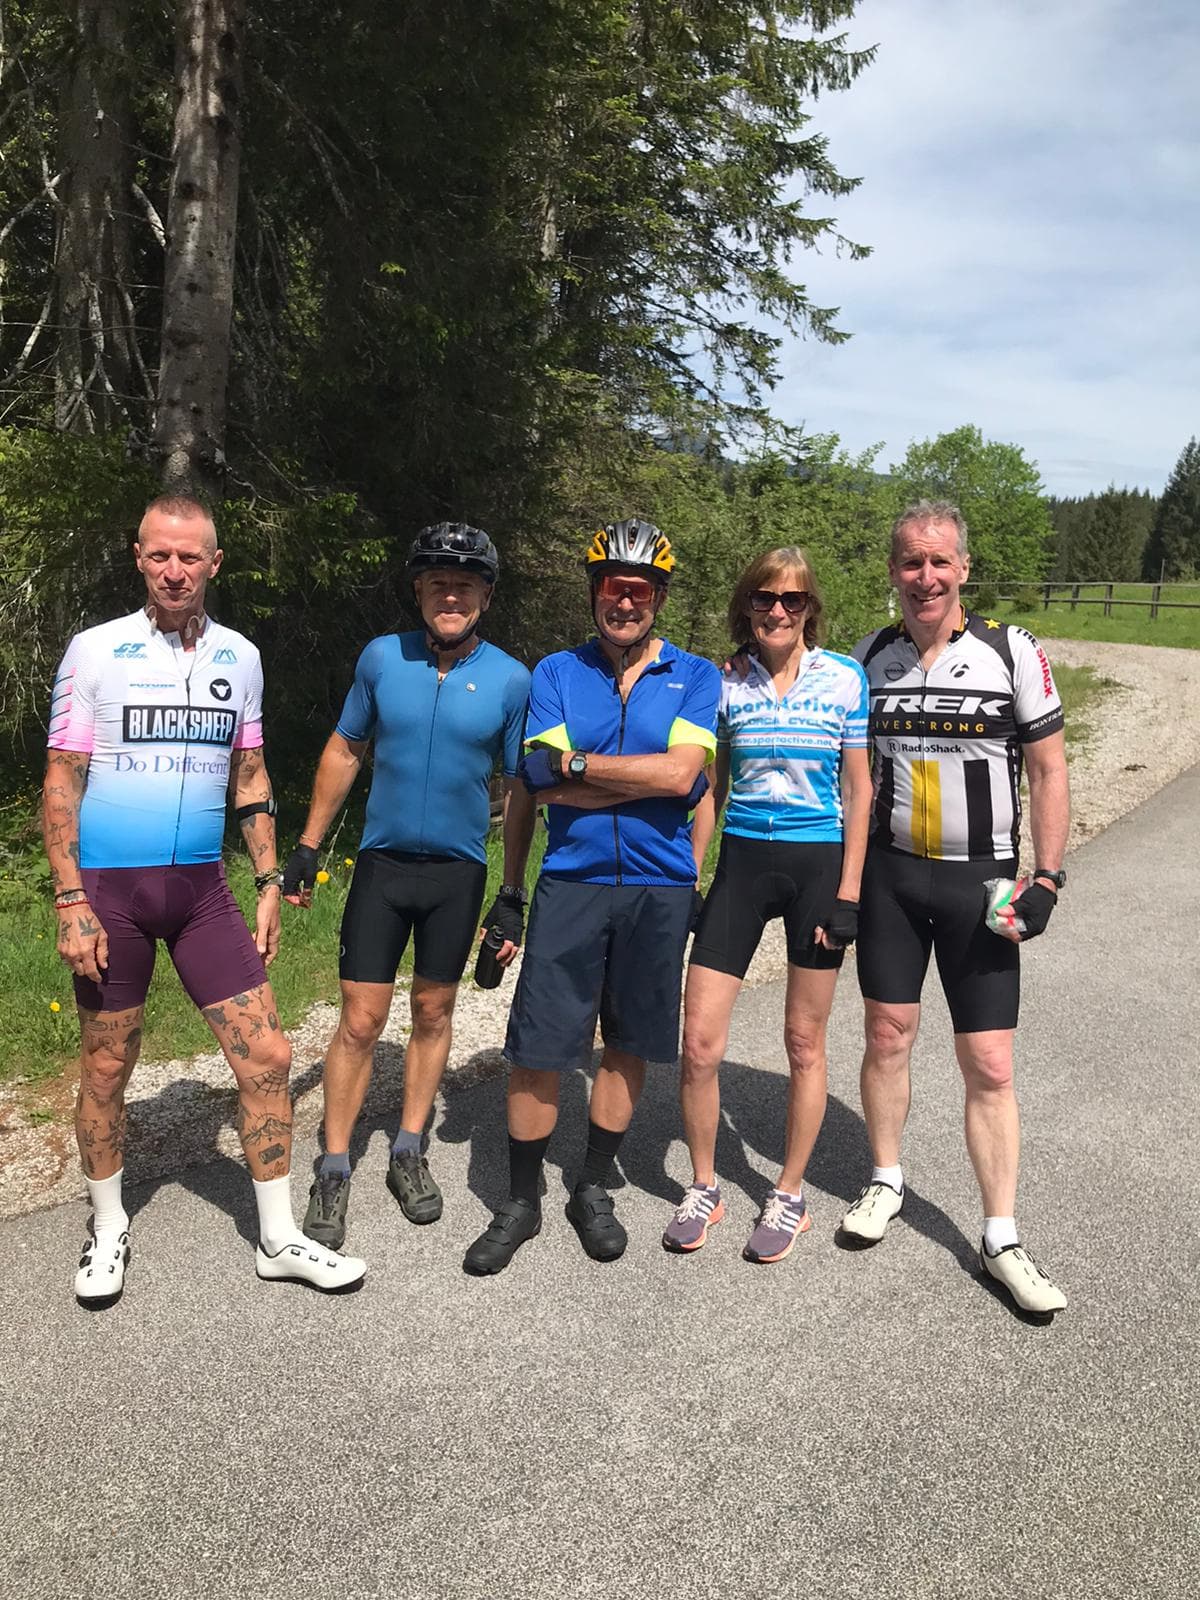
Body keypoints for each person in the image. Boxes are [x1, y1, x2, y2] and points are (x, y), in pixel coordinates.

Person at [43, 494, 365, 1305]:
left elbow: (249, 775)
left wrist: (264, 879)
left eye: (190, 557)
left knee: (269, 1057)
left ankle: (280, 1237)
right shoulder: (95, 651)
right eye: (159, 556)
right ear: (139, 557)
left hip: (201, 891)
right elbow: (62, 782)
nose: (175, 571)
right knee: (108, 1065)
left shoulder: (241, 657)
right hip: (110, 892)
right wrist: (69, 898)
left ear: (215, 564)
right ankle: (109, 1226)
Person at [463, 517, 720, 1275]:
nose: (625, 602)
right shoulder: (556, 673)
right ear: (595, 592)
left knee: (630, 1040)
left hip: (660, 886)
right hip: (572, 884)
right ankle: (519, 1202)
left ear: (660, 599)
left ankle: (590, 1187)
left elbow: (685, 780)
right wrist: (637, 777)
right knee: (539, 1049)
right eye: (613, 587)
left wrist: (581, 768)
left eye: (639, 590)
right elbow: (535, 782)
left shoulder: (695, 676)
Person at [843, 499, 1070, 1315]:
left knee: (991, 1063)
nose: (925, 576)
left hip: (984, 884)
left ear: (964, 569)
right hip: (894, 882)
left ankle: (1000, 1234)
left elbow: (1047, 770)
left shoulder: (1013, 651)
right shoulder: (868, 656)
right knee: (886, 1035)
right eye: (911, 561)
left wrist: (1048, 878)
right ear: (894, 571)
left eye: (940, 562)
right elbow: (846, 772)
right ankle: (884, 1179)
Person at [282, 523, 532, 1251]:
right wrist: (305, 846)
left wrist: (513, 890)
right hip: (383, 867)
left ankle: (409, 1150)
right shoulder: (381, 658)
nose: (450, 595)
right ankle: (333, 1167)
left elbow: (520, 790)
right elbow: (344, 747)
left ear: (485, 596)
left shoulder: (512, 678)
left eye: (464, 584)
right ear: (419, 591)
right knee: (359, 1021)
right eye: (436, 583)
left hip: (458, 873)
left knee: (433, 1010)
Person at [666, 547, 872, 1262]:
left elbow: (860, 791)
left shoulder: (844, 677)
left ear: (810, 606)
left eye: (791, 600)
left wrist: (850, 894)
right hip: (743, 863)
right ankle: (703, 1186)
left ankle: (788, 1194)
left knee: (804, 1043)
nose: (777, 611)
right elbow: (709, 788)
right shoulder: (724, 681)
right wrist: (693, 874)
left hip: (818, 864)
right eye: (763, 598)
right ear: (745, 606)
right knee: (697, 1044)